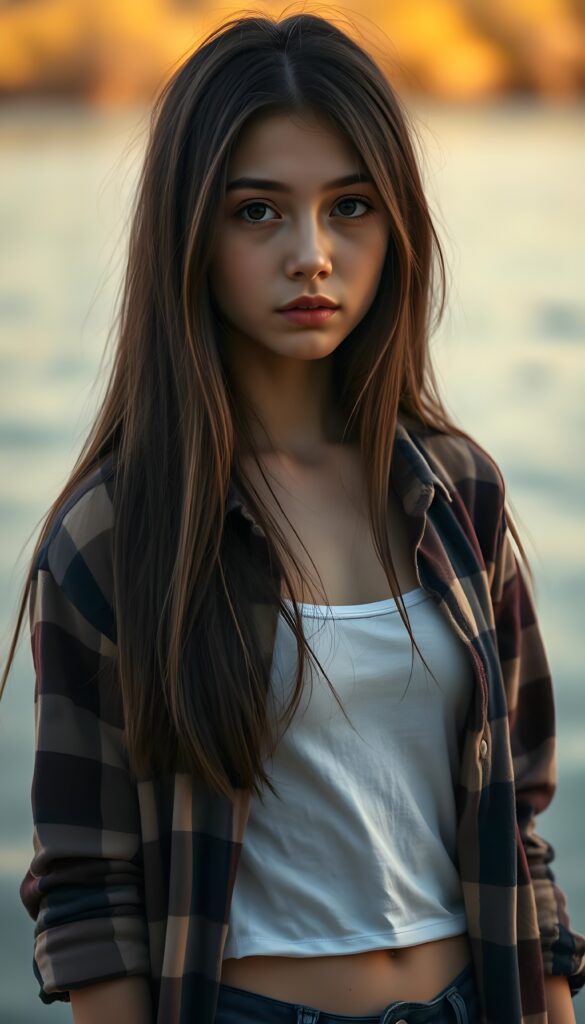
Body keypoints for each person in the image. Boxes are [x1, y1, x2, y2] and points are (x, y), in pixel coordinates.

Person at [2, 11, 584, 1024]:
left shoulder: (459, 493)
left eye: (350, 206)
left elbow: (518, 826)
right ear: (190, 232)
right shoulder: (117, 532)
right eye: (259, 212)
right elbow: (90, 889)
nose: (312, 254)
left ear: (395, 224)